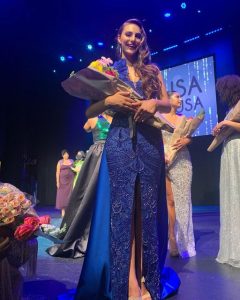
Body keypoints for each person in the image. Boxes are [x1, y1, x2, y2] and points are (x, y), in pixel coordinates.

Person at [75, 19, 180, 300]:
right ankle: (128, 282)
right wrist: (110, 102)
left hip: (150, 143)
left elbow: (169, 103)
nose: (132, 39)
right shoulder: (108, 71)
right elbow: (90, 112)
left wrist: (154, 104)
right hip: (119, 142)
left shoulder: (152, 70)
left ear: (142, 39)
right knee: (124, 214)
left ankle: (148, 279)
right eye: (127, 34)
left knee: (147, 213)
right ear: (119, 38)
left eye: (137, 35)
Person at [47, 112, 112, 258]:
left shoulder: (95, 118)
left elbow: (86, 128)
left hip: (100, 155)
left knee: (92, 193)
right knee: (93, 193)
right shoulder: (107, 119)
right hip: (106, 155)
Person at [162, 91, 196, 258]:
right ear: (168, 99)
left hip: (182, 162)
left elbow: (189, 137)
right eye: (177, 97)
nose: (180, 99)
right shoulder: (159, 117)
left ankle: (185, 240)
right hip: (165, 161)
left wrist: (186, 140)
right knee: (170, 201)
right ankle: (172, 238)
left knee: (183, 201)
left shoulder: (185, 119)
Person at [213, 75, 240, 268]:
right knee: (232, 196)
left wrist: (226, 124)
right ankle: (234, 246)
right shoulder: (232, 108)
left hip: (239, 148)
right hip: (229, 150)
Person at [56, 149, 74, 217]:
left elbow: (75, 168)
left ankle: (69, 212)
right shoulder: (60, 162)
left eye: (67, 154)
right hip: (62, 181)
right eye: (65, 154)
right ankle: (63, 212)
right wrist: (57, 182)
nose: (67, 155)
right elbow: (57, 172)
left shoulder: (71, 161)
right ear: (62, 155)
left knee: (70, 195)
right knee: (62, 196)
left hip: (70, 181)